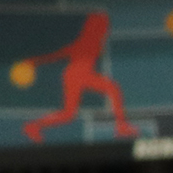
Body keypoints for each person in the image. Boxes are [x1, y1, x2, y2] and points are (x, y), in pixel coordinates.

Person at [20, 11, 138, 142]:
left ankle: (33, 125)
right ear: (95, 27)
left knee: (69, 114)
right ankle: (121, 127)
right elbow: (57, 55)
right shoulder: (85, 43)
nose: (105, 29)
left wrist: (34, 61)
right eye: (103, 26)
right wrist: (34, 61)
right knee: (112, 89)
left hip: (79, 75)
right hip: (75, 76)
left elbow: (58, 55)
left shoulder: (95, 42)